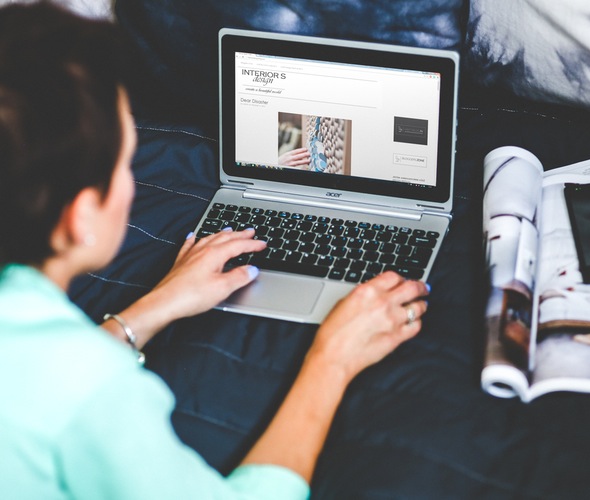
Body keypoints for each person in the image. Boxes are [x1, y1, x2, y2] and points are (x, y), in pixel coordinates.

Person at [0, 2, 429, 499]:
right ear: (81, 218)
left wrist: (156, 306)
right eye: (124, 160)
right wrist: (332, 359)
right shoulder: (95, 391)